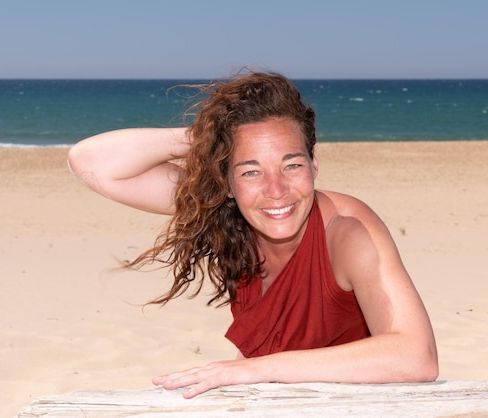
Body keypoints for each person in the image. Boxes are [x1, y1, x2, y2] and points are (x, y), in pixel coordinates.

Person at [67, 71, 438, 399]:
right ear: (226, 183)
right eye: (250, 171)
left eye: (291, 165)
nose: (275, 190)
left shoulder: (347, 232)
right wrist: (213, 138)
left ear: (314, 166)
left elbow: (416, 356)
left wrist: (259, 369)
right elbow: (91, 162)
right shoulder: (229, 212)